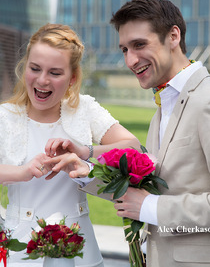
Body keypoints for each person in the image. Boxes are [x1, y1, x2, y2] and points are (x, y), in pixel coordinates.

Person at [110, 0, 210, 267]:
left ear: (173, 36)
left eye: (139, 45)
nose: (130, 60)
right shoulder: (164, 103)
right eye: (124, 49)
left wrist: (150, 208)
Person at [0, 23, 140, 267]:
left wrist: (86, 152)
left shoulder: (84, 110)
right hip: (19, 252)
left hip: (79, 248)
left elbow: (134, 146)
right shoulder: (6, 116)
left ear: (72, 78)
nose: (42, 80)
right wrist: (23, 173)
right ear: (25, 69)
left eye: (55, 73)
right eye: (35, 69)